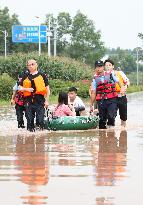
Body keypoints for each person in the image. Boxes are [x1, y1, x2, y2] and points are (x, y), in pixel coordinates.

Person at [90, 60, 122, 129]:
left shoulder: (110, 74)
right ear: (95, 68)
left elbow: (118, 81)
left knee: (111, 116)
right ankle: (102, 136)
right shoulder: (95, 79)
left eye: (100, 66)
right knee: (102, 119)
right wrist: (91, 104)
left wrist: (122, 88)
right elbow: (93, 92)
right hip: (101, 101)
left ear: (103, 67)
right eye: (97, 67)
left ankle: (111, 133)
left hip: (112, 99)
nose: (99, 68)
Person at [19, 59, 50, 132]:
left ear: (36, 65)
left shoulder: (42, 75)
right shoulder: (25, 76)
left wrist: (47, 101)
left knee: (40, 121)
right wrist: (27, 89)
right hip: (28, 101)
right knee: (30, 121)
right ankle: (30, 140)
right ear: (27, 66)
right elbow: (19, 88)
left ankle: (41, 139)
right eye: (29, 65)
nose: (31, 66)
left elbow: (47, 89)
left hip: (40, 101)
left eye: (32, 64)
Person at [104, 59, 130, 127]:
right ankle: (111, 133)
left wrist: (124, 88)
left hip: (121, 97)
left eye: (109, 65)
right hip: (111, 98)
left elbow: (127, 82)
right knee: (111, 116)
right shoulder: (103, 76)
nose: (108, 67)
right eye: (106, 65)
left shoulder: (119, 73)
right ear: (104, 67)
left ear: (113, 66)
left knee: (123, 116)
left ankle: (123, 132)